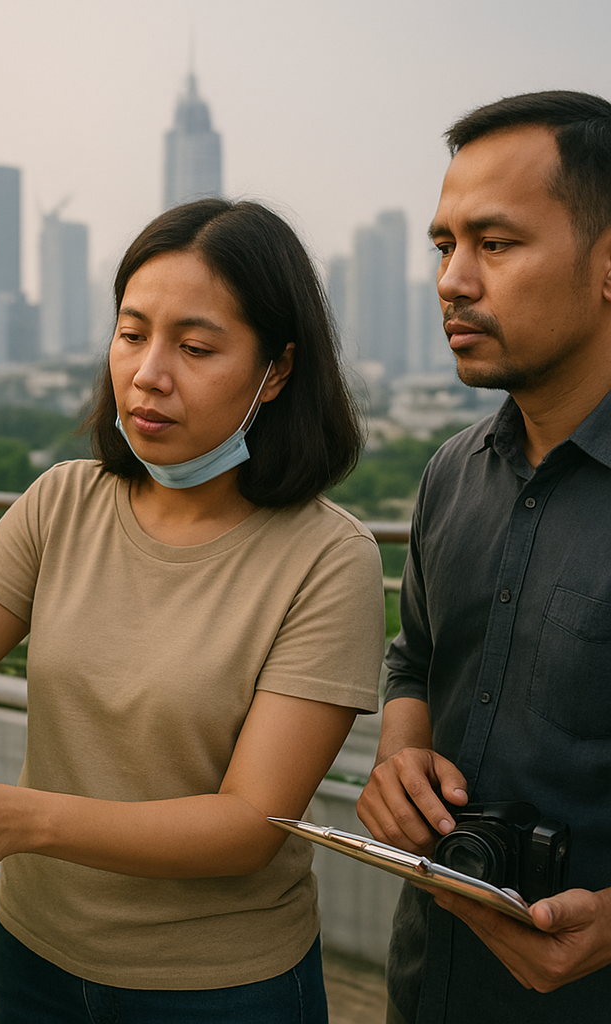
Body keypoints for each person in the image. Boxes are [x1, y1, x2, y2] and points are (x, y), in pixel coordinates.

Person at [0, 198, 385, 1023]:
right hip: (33, 961)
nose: (149, 372)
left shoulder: (328, 559)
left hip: (217, 992)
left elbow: (246, 826)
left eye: (195, 347)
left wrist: (22, 819)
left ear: (278, 370)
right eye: (132, 333)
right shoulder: (63, 500)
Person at [355, 91, 611, 1023]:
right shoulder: (450, 475)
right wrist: (400, 757)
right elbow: (414, 658)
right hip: (432, 981)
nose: (453, 281)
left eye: (495, 245)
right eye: (443, 245)